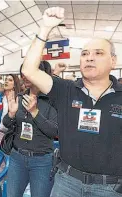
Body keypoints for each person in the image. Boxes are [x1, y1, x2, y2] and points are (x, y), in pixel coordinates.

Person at [22, 7, 122, 197]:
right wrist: (45, 28)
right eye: (84, 54)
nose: (89, 57)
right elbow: (29, 70)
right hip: (67, 183)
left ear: (113, 61)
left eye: (98, 53)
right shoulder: (65, 89)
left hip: (109, 188)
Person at [4, 62, 58, 197]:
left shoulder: (53, 101)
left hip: (42, 161)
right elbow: (7, 124)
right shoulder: (20, 97)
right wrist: (10, 114)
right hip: (17, 158)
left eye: (29, 73)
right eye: (23, 73)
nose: (25, 76)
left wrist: (35, 113)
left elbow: (54, 132)